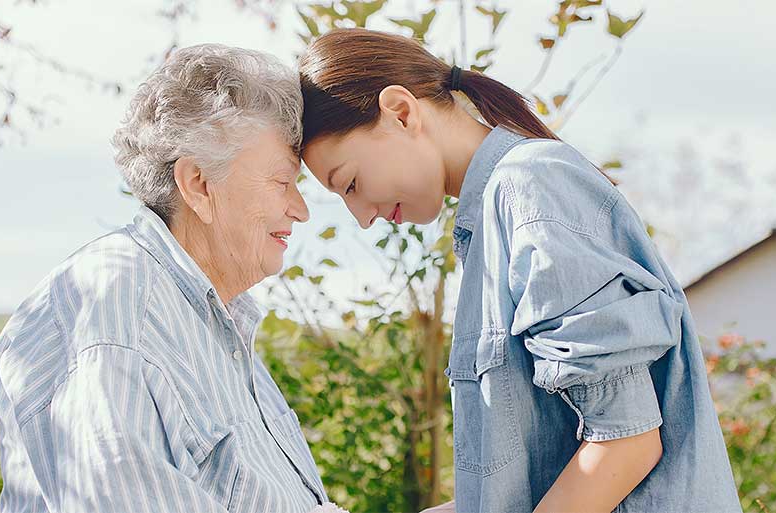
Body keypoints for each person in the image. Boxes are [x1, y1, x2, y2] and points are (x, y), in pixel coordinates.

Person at [298, 28, 742, 513]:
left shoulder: (531, 188)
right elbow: (538, 477)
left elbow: (625, 442)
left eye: (351, 183)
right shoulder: (492, 217)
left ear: (401, 113)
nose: (361, 216)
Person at [0, 43, 330, 512]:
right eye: (281, 181)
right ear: (198, 184)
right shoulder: (118, 306)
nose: (300, 209)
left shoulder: (210, 323)